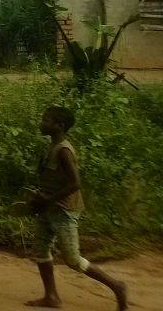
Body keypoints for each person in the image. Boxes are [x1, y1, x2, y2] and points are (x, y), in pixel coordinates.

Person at [25, 106, 128, 311]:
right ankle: (51, 296)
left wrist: (47, 200)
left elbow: (75, 184)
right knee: (42, 251)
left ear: (59, 125)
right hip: (49, 207)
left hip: (63, 210)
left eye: (46, 120)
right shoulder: (53, 146)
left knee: (72, 259)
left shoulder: (63, 150)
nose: (41, 122)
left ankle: (117, 286)